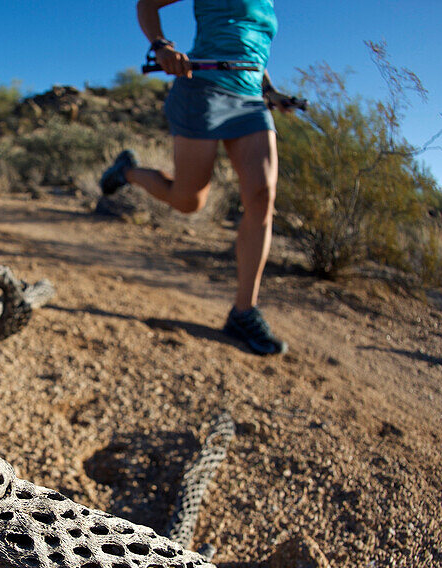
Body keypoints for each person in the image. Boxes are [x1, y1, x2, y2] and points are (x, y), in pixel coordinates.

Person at [101, 0, 297, 356]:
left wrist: (269, 90)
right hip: (203, 88)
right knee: (189, 201)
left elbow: (250, 46)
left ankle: (243, 311)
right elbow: (147, 4)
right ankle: (128, 171)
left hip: (251, 99)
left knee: (262, 195)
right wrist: (162, 45)